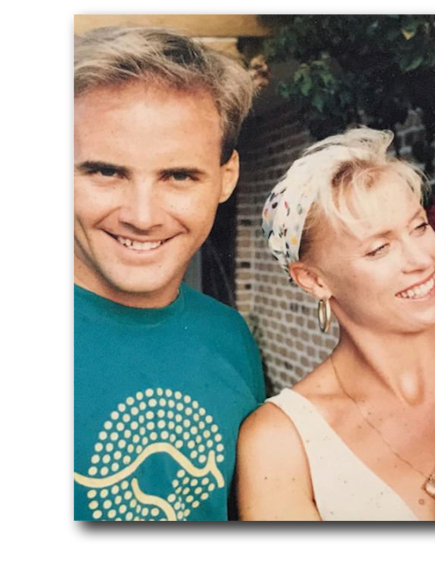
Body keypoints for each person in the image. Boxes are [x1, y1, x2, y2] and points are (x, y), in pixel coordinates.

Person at [237, 128, 435, 520]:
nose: (421, 259)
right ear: (314, 280)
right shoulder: (281, 443)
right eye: (379, 248)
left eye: (419, 227)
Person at [73, 27, 264, 521]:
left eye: (178, 176)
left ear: (226, 178)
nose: (142, 215)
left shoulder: (229, 336)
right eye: (106, 172)